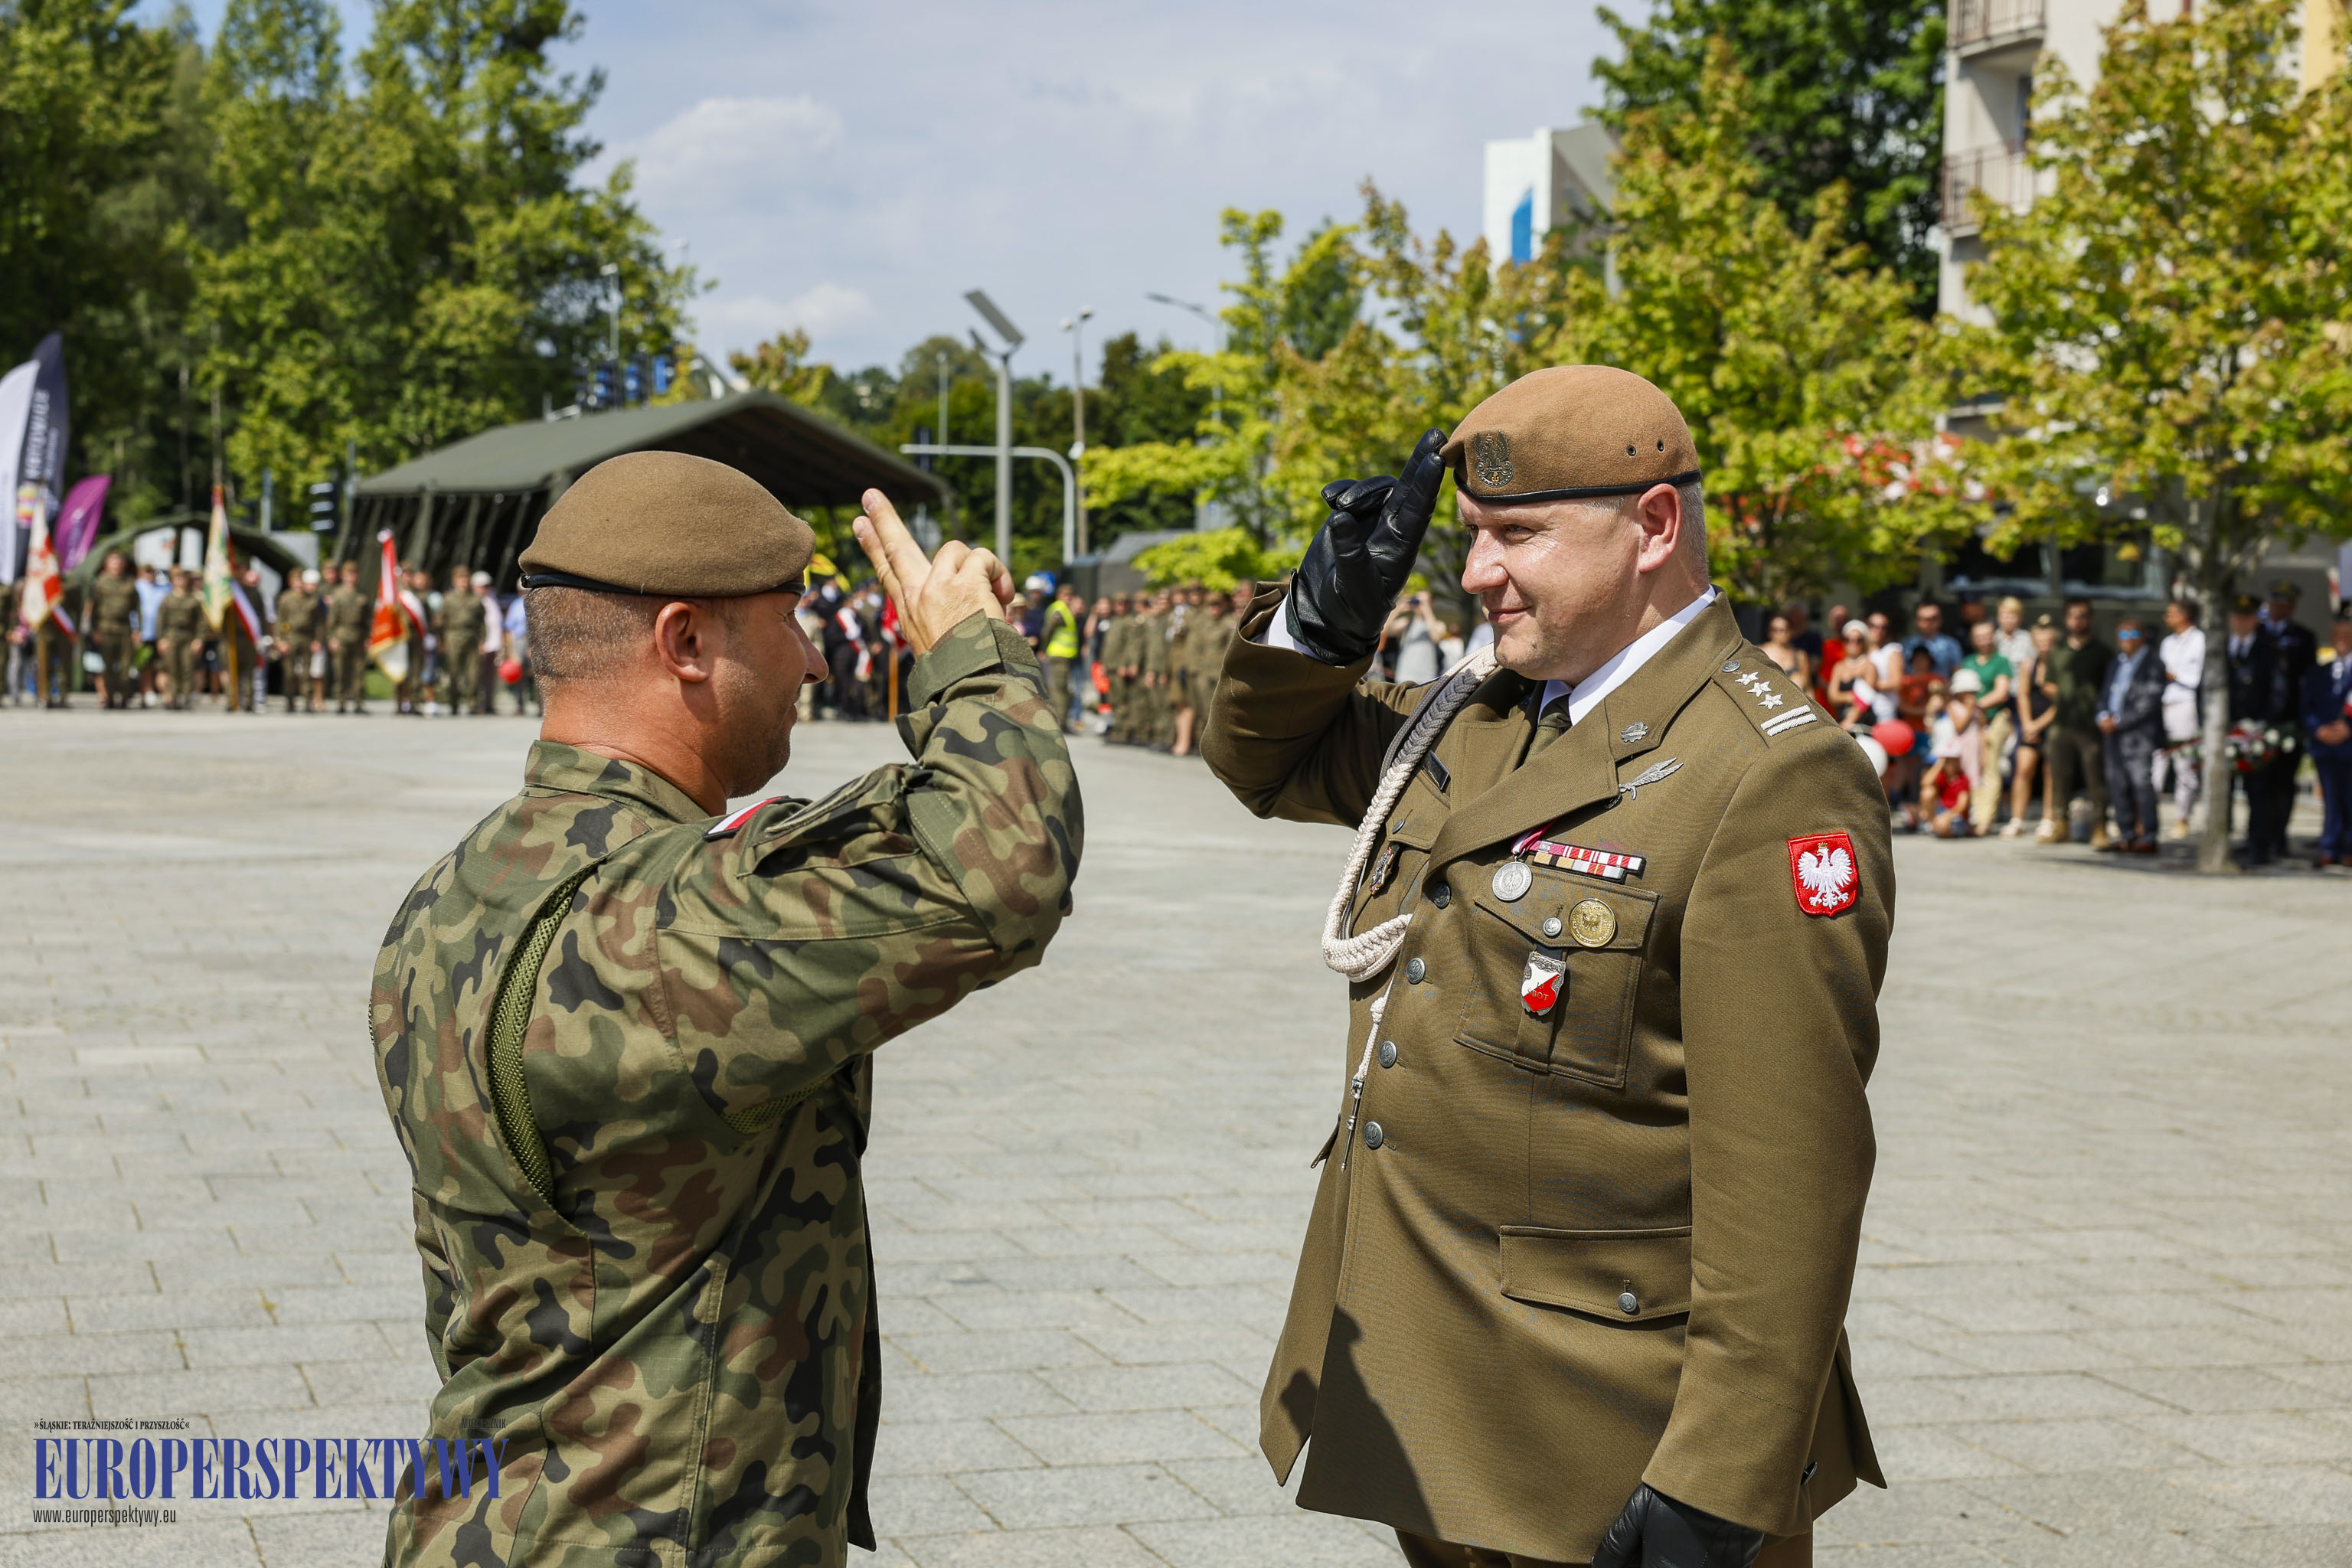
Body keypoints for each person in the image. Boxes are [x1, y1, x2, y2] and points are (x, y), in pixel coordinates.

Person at [1203, 366, 1886, 1568]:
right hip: (1437, 1393)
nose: (1475, 573)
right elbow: (1268, 761)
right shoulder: (1485, 715)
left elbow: (1792, 1172)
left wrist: (1719, 1483)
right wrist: (1322, 619)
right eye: (1470, 537)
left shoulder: (1768, 771)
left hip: (1604, 1430)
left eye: (1518, 534)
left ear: (1654, 529)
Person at [370, 453, 1079, 1568]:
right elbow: (998, 873)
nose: (808, 657)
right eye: (787, 620)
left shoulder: (449, 896)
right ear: (685, 643)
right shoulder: (660, 924)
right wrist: (969, 660)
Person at [2041, 597, 2113, 849]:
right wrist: (2061, 695)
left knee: (2096, 779)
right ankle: (2060, 825)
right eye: (2073, 616)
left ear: (2090, 619)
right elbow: (2048, 682)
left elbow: (2110, 686)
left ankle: (2100, 828)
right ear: (2066, 619)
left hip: (2090, 726)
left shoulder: (2102, 652)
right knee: (2060, 778)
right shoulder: (2058, 650)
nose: (2078, 621)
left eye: (2083, 616)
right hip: (2061, 723)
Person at [2096, 616, 2166, 852]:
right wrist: (2103, 715)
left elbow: (2149, 702)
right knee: (2117, 784)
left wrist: (2119, 722)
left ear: (2143, 636)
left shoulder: (2153, 663)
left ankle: (2148, 835)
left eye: (2132, 635)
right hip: (2112, 733)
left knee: (2141, 784)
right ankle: (2127, 834)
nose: (2127, 641)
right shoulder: (2116, 662)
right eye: (2122, 635)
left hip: (2138, 735)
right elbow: (2105, 693)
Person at [2226, 593, 2285, 864]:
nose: (2240, 622)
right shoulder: (2221, 646)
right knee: (2223, 789)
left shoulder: (2269, 649)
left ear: (2255, 621)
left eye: (2246, 617)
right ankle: (2225, 840)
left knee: (2258, 790)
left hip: (2256, 731)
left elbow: (2278, 690)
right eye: (2236, 616)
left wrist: (2262, 725)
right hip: (2226, 730)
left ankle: (2258, 844)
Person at [2260, 580, 2316, 858]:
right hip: (2259, 722)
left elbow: (2308, 683)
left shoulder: (2303, 637)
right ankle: (2258, 837)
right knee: (2259, 784)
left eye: (2284, 604)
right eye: (2274, 602)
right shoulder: (2258, 633)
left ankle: (2279, 837)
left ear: (2292, 607)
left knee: (2283, 783)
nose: (2278, 608)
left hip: (2290, 721)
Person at [2305, 612, 2352, 867]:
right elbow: (2307, 707)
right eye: (2337, 635)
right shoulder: (2319, 672)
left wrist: (2348, 729)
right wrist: (2319, 730)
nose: (2341, 640)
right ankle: (2329, 847)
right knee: (2330, 800)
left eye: (2347, 635)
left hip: (2349, 744)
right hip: (2325, 747)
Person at [2157, 599, 2205, 838]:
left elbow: (2195, 678)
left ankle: (2182, 817)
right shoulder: (2167, 642)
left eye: (2172, 613)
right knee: (2157, 758)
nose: (2168, 618)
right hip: (2164, 702)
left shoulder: (2200, 640)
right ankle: (2147, 817)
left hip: (2186, 702)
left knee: (2184, 761)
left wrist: (2174, 675)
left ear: (2184, 615)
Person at [2007, 614, 2060, 836]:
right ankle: (2017, 819)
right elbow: (2022, 696)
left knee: (2051, 771)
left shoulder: (2061, 667)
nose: (2044, 647)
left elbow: (2062, 702)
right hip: (2029, 723)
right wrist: (2028, 724)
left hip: (2053, 723)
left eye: (2048, 643)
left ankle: (2048, 819)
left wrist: (2039, 724)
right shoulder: (2028, 665)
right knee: (2024, 768)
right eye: (2040, 643)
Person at [1959, 621, 2013, 835]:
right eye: (1979, 636)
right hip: (1971, 724)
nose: (1983, 640)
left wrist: (1976, 706)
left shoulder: (2001, 662)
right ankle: (1970, 816)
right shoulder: (1969, 661)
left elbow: (2002, 693)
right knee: (1972, 769)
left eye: (1987, 635)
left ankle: (1984, 819)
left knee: (1990, 769)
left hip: (1993, 721)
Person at [1926, 669, 1983, 837]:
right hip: (1955, 752)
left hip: (1972, 750)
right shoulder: (1953, 707)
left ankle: (1970, 820)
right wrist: (1970, 709)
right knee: (1952, 784)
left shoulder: (1975, 708)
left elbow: (1980, 728)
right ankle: (1941, 820)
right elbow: (1959, 726)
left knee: (1971, 783)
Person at [88, 551, 140, 709]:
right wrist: (94, 629)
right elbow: (94, 608)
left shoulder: (130, 583)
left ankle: (124, 698)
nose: (116, 564)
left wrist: (137, 630)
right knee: (108, 666)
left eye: (119, 561)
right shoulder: (100, 583)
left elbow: (137, 609)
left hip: (125, 628)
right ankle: (109, 697)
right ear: (107, 564)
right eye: (113, 561)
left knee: (125, 666)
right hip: (106, 628)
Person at [434, 564, 486, 715]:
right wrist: (440, 641)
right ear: (454, 581)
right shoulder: (448, 598)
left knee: (473, 674)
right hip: (453, 635)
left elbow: (482, 622)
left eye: (466, 578)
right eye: (460, 578)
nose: (463, 582)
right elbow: (440, 622)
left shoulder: (476, 599)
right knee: (453, 672)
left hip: (471, 636)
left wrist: (483, 640)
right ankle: (454, 703)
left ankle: (472, 703)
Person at [327, 560, 371, 714]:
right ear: (343, 575)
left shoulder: (362, 594)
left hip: (358, 636)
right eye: (348, 573)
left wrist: (367, 638)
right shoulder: (338, 595)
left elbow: (367, 620)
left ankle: (359, 701)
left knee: (358, 671)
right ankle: (341, 701)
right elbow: (332, 620)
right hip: (341, 635)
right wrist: (332, 638)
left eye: (354, 573)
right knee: (341, 671)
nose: (351, 576)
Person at [273, 567, 318, 714]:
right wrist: (280, 641)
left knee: (306, 673)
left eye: (300, 581)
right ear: (290, 583)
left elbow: (319, 622)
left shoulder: (312, 599)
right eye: (295, 581)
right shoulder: (286, 599)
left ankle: (308, 702)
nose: (298, 584)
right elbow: (280, 621)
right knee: (289, 673)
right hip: (290, 637)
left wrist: (317, 640)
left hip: (306, 638)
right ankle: (290, 701)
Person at [1043, 578, 1083, 733]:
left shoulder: (1066, 610)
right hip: (1058, 654)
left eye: (1071, 595)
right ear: (1059, 595)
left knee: (1064, 689)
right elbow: (1047, 631)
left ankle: (1063, 720)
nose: (1069, 598)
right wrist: (1044, 648)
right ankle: (1060, 722)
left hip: (1065, 656)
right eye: (1066, 595)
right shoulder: (1059, 610)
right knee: (1059, 690)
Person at [134, 563, 168, 707]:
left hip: (161, 634)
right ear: (141, 573)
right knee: (145, 666)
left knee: (162, 666)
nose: (150, 574)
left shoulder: (164, 588)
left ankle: (165, 694)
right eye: (147, 571)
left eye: (152, 571)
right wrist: (135, 629)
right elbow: (133, 610)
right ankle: (147, 693)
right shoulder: (137, 587)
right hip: (144, 633)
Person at [1903, 600, 1962, 678]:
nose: (1929, 623)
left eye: (1933, 618)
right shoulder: (1906, 645)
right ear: (1916, 621)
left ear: (1940, 620)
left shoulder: (1951, 644)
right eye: (1925, 619)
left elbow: (1958, 673)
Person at [1759, 610, 1809, 688]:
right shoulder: (1760, 651)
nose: (1780, 633)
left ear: (1791, 631)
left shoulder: (1799, 655)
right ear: (1769, 632)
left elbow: (1808, 687)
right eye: (1775, 630)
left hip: (1793, 697)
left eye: (1784, 629)